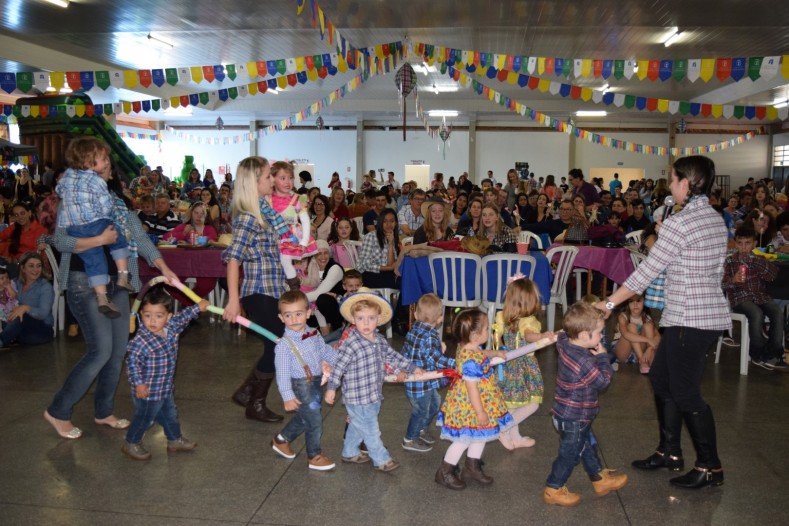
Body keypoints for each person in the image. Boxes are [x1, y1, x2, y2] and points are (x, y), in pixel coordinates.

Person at [595, 155, 730, 490]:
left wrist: (610, 302)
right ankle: (669, 452)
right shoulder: (714, 218)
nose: (669, 185)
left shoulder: (679, 223)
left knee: (685, 391)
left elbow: (646, 271)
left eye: (672, 179)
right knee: (661, 376)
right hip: (705, 314)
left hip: (690, 317)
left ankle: (710, 466)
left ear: (686, 183)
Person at [45, 163, 178, 440]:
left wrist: (164, 268)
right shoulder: (72, 201)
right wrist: (98, 239)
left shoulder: (116, 202)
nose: (103, 169)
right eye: (96, 164)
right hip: (86, 283)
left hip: (118, 282)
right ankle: (58, 411)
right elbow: (60, 241)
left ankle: (103, 411)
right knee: (100, 352)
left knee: (117, 353)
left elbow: (140, 238)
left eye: (106, 166)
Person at [325, 289, 422, 472]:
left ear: (379, 319)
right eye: (360, 318)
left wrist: (411, 368)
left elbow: (393, 357)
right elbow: (338, 367)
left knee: (356, 425)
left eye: (370, 318)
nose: (366, 323)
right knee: (370, 430)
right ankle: (382, 459)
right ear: (353, 320)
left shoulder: (379, 340)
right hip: (357, 397)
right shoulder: (351, 344)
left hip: (373, 394)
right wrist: (332, 388)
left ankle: (349, 452)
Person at [543, 302, 627, 506]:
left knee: (586, 446)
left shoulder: (565, 342)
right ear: (582, 336)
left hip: (568, 413)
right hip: (575, 417)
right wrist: (603, 358)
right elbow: (602, 381)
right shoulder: (585, 361)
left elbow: (562, 333)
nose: (601, 337)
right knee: (570, 454)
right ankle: (553, 488)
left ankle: (599, 479)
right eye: (599, 333)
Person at [225, 157, 287, 424]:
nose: (272, 180)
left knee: (275, 346)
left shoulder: (263, 214)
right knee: (278, 346)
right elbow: (233, 259)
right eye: (266, 177)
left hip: (271, 291)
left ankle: (248, 393)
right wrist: (233, 301)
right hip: (258, 292)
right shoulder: (248, 219)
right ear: (253, 183)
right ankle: (255, 402)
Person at [122, 286, 207, 460]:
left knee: (170, 414)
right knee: (145, 418)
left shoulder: (172, 327)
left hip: (165, 387)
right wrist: (138, 383)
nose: (152, 321)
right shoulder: (140, 341)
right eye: (147, 315)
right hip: (147, 391)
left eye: (158, 316)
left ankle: (174, 440)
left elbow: (183, 317)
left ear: (168, 317)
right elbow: (132, 364)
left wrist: (198, 307)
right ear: (140, 315)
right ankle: (131, 442)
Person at [435, 309, 511, 490]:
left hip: (480, 401)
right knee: (464, 439)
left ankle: (472, 467)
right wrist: (480, 411)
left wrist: (493, 353)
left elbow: (480, 354)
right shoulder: (470, 361)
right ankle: (444, 472)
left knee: (480, 434)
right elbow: (472, 388)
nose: (489, 331)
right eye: (486, 328)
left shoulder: (468, 346)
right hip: (471, 405)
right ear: (476, 335)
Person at [56, 137, 133, 318]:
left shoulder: (68, 177)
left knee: (94, 261)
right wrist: (102, 233)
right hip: (96, 226)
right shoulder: (97, 182)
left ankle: (102, 296)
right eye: (104, 161)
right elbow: (60, 242)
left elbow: (59, 189)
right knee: (118, 239)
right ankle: (123, 275)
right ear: (88, 163)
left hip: (75, 226)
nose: (107, 166)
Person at [271, 290, 338, 471]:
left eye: (298, 314)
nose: (294, 319)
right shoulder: (284, 346)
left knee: (305, 416)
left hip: (316, 382)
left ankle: (281, 440)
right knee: (314, 419)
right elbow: (282, 373)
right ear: (281, 317)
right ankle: (314, 455)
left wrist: (340, 361)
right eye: (288, 315)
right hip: (300, 385)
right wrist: (287, 396)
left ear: (308, 313)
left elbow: (325, 352)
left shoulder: (313, 333)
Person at [493, 277, 555, 450]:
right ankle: (502, 429)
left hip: (507, 366)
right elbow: (529, 336)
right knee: (532, 404)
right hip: (522, 367)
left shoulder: (503, 317)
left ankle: (516, 438)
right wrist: (542, 336)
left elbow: (497, 337)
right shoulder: (528, 321)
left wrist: (498, 350)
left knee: (513, 405)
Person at [722, 225, 784, 370]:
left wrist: (757, 262)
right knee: (756, 314)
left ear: (755, 243)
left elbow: (772, 276)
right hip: (739, 298)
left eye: (748, 243)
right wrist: (733, 280)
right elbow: (722, 284)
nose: (743, 247)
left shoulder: (758, 259)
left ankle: (774, 353)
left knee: (777, 314)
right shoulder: (730, 261)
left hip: (760, 296)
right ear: (735, 243)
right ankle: (758, 353)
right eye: (740, 243)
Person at [401, 293, 455, 453]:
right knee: (421, 410)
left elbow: (405, 352)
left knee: (434, 404)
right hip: (419, 383)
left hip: (425, 381)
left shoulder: (413, 330)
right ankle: (410, 439)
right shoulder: (430, 336)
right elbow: (436, 360)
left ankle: (421, 429)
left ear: (416, 314)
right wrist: (456, 364)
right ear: (439, 319)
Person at [268, 161, 319, 291]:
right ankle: (280, 286)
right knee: (277, 262)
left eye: (291, 178)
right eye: (283, 178)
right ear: (273, 179)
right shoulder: (267, 199)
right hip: (272, 237)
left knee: (285, 258)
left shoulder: (297, 199)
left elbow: (305, 220)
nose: (288, 182)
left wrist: (304, 241)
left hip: (292, 236)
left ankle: (294, 285)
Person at [0, 252, 53, 349]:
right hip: (18, 329)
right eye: (31, 266)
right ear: (23, 268)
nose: (35, 270)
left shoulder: (45, 287)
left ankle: (2, 341)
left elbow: (43, 313)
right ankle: (9, 338)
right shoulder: (15, 282)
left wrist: (26, 308)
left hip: (41, 330)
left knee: (21, 314)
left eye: (38, 266)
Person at [300, 240, 345, 336]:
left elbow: (318, 294)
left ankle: (338, 326)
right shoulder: (312, 267)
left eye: (326, 253)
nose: (323, 257)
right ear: (314, 255)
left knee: (322, 299)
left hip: (337, 306)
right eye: (319, 254)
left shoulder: (335, 268)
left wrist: (295, 299)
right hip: (317, 310)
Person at [613, 295, 660, 373]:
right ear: (627, 304)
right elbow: (626, 334)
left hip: (640, 351)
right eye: (631, 301)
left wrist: (650, 348)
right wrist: (648, 340)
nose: (635, 304)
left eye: (638, 301)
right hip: (623, 352)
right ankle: (642, 361)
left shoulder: (646, 317)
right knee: (631, 326)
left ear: (644, 302)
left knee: (648, 326)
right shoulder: (623, 316)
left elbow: (658, 337)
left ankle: (650, 360)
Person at [356, 208, 399, 289]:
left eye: (392, 221)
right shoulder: (371, 236)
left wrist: (390, 244)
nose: (389, 224)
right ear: (380, 222)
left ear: (396, 223)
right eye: (385, 221)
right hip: (368, 273)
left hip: (385, 273)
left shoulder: (393, 237)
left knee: (402, 280)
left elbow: (391, 264)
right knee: (395, 281)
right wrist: (390, 268)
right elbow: (365, 265)